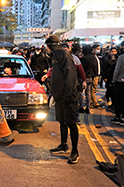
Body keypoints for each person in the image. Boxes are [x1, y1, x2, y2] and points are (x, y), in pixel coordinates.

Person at [45, 36, 80, 164]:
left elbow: (70, 76)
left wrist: (68, 95)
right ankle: (63, 144)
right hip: (60, 96)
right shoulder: (56, 55)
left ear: (49, 45)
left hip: (68, 97)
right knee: (62, 121)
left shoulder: (63, 54)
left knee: (71, 123)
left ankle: (75, 151)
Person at [80, 45, 98, 114]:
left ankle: (81, 107)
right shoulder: (93, 57)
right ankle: (88, 107)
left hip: (83, 77)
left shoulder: (83, 58)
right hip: (90, 77)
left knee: (81, 92)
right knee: (88, 93)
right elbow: (95, 67)